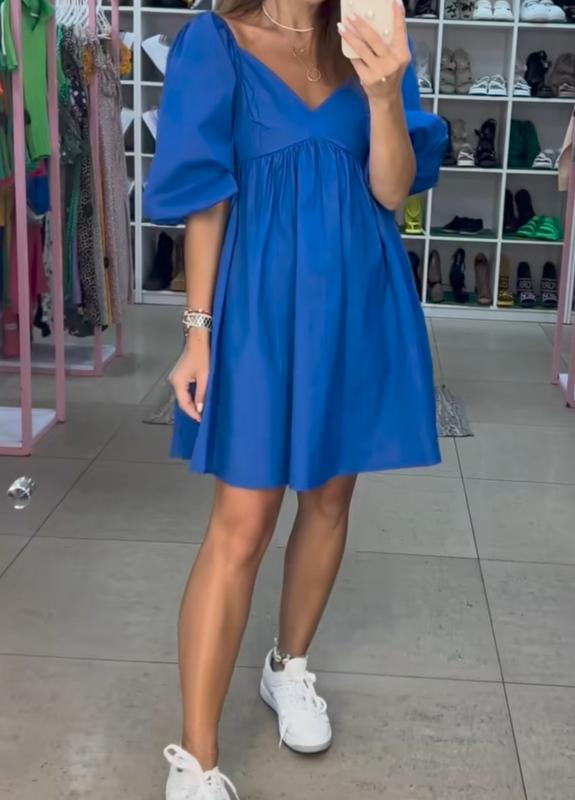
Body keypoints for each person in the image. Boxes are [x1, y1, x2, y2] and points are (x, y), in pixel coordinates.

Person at [143, 0, 446, 796]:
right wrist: (197, 332)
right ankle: (196, 759)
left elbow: (392, 189)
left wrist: (382, 95)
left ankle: (288, 665)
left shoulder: (373, 42)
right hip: (257, 311)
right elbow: (207, 199)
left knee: (329, 498)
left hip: (354, 300)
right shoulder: (215, 43)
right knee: (241, 524)